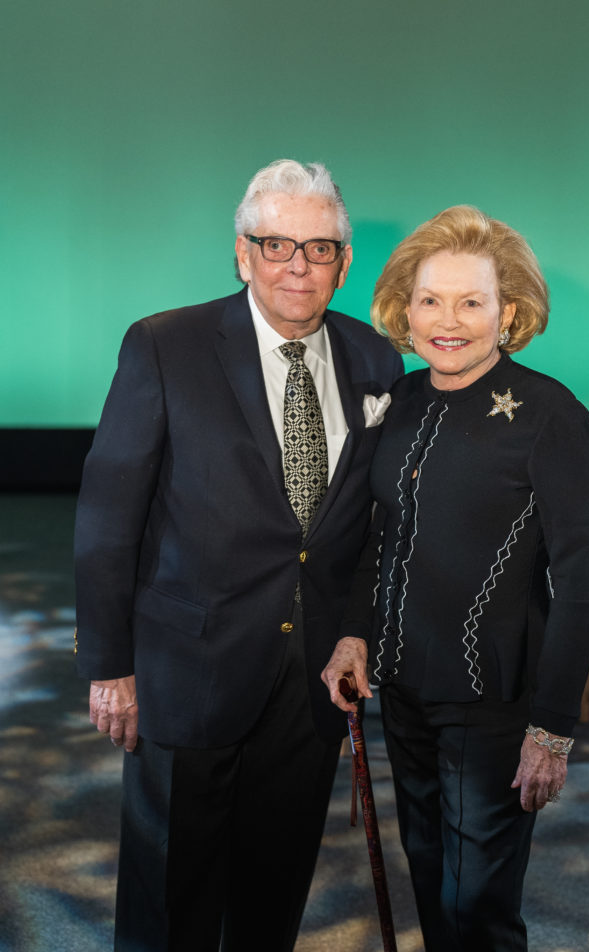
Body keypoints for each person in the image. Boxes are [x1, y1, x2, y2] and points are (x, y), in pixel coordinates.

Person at [73, 158, 403, 952]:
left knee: (274, 890)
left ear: (344, 263)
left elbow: (370, 528)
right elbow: (108, 518)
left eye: (319, 248)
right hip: (185, 670)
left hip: (312, 680)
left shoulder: (376, 360)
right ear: (242, 253)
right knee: (168, 898)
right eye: (277, 244)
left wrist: (358, 631)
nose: (299, 264)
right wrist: (110, 666)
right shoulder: (166, 345)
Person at [323, 205, 589, 951]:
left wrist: (553, 730)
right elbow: (374, 538)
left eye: (471, 302)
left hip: (496, 708)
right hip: (403, 694)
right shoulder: (402, 403)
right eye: (430, 300)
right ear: (404, 310)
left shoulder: (550, 414)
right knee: (431, 881)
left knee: (478, 905)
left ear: (506, 312)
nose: (448, 321)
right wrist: (354, 634)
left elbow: (580, 583)